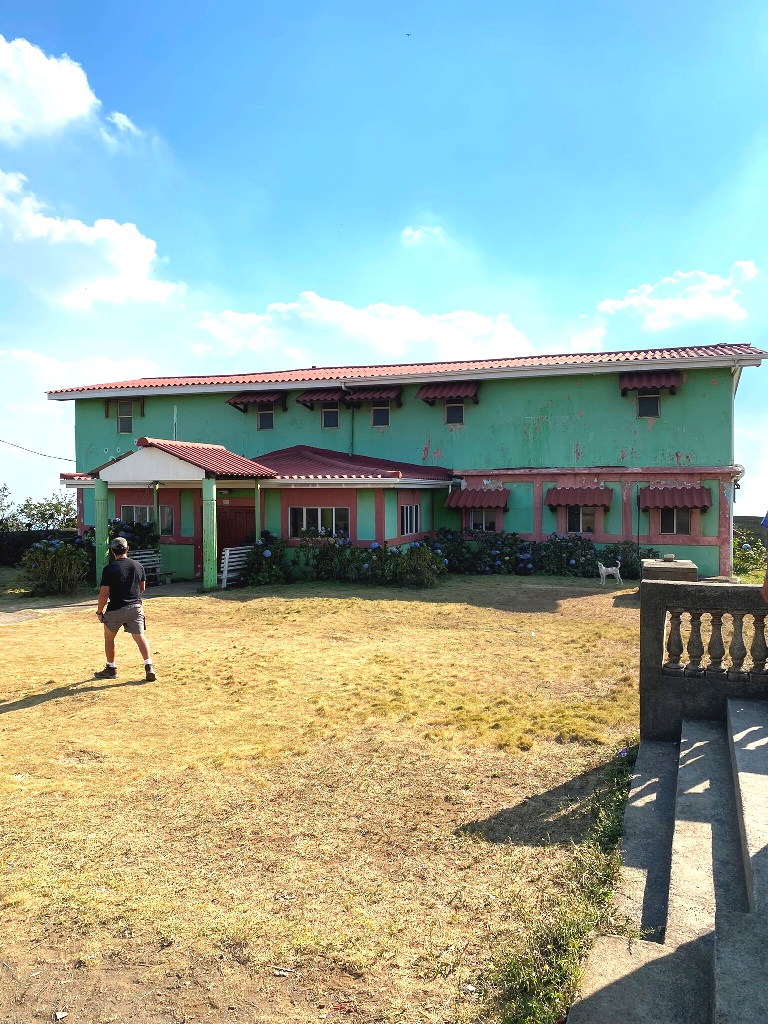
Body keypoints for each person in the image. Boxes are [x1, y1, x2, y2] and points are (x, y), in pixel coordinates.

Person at [94, 537, 156, 681]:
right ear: (127, 549)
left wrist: (99, 611)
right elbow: (142, 587)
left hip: (116, 608)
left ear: (112, 551)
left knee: (109, 638)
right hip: (135, 607)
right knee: (140, 637)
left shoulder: (109, 569)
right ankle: (149, 666)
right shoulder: (138, 565)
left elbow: (104, 594)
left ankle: (111, 668)